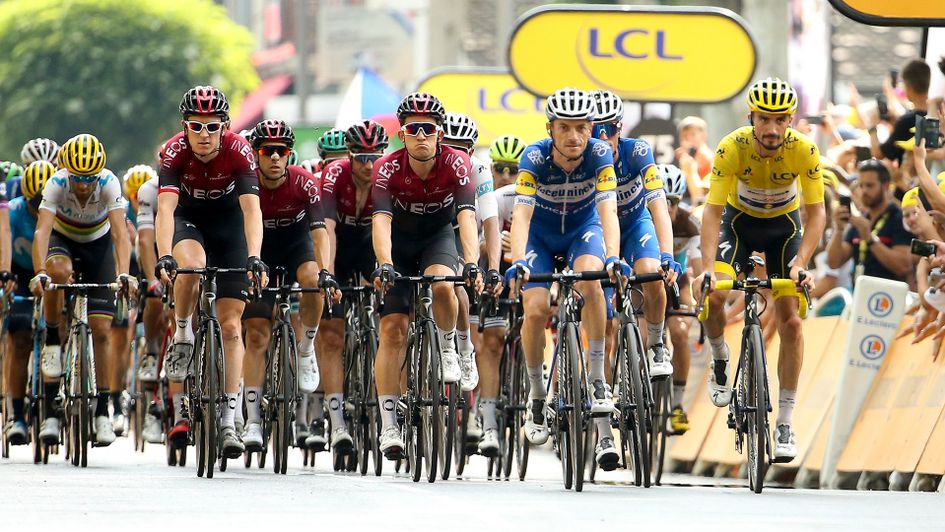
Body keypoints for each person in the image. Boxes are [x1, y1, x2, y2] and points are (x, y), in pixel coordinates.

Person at [700, 78, 826, 462]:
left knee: (791, 320)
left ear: (790, 120)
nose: (771, 129)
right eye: (763, 120)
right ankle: (720, 355)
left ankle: (785, 421)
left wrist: (802, 263)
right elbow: (713, 211)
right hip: (738, 224)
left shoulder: (804, 150)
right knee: (715, 293)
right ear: (751, 117)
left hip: (782, 229)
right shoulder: (731, 147)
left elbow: (817, 213)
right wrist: (707, 267)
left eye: (779, 120)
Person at [505, 87, 622, 470]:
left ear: (591, 128)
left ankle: (596, 377)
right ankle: (538, 395)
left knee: (591, 282)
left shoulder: (600, 154)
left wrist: (615, 257)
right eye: (565, 128)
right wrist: (519, 260)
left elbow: (607, 212)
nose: (574, 137)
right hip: (540, 233)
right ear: (550, 129)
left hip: (582, 229)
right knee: (535, 309)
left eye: (582, 128)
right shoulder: (534, 156)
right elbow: (521, 215)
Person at [154, 85, 267, 458]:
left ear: (225, 126)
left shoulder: (239, 150)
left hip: (229, 225)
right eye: (196, 126)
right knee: (191, 266)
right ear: (184, 127)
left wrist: (254, 256)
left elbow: (252, 210)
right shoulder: (173, 152)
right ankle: (184, 333)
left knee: (232, 325)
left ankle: (228, 421)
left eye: (212, 126)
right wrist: (164, 256)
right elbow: (167, 210)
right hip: (188, 221)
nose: (204, 134)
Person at [371, 92, 482, 460]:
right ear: (402, 134)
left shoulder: (457, 162)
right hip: (399, 246)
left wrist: (471, 262)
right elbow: (381, 221)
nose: (421, 135)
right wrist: (384, 263)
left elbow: (467, 216)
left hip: (437, 238)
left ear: (439, 133)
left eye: (429, 129)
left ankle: (448, 346)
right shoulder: (387, 168)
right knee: (392, 331)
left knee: (443, 285)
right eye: (413, 129)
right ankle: (389, 425)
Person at [30, 134, 134, 447]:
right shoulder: (57, 183)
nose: (84, 186)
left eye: (90, 179)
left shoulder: (110, 183)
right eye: (78, 178)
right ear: (67, 172)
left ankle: (103, 409)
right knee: (57, 273)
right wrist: (40, 273)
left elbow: (119, 234)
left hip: (98, 245)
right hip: (63, 240)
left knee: (102, 330)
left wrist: (125, 274)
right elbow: (42, 232)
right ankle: (51, 342)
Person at [239, 119, 335, 452]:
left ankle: (306, 347)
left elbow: (320, 231)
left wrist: (326, 271)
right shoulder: (245, 183)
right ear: (256, 153)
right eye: (268, 151)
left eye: (283, 151)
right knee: (256, 334)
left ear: (290, 154)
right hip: (258, 247)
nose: (276, 158)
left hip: (295, 243)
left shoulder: (305, 183)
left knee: (312, 280)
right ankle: (252, 420)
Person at [592, 90, 680, 380]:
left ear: (621, 128)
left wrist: (667, 255)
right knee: (604, 327)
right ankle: (601, 396)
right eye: (596, 130)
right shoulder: (583, 161)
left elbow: (658, 207)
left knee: (652, 273)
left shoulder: (638, 151)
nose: (605, 137)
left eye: (612, 129)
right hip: (601, 231)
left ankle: (656, 343)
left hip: (635, 224)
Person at [318, 119, 388, 452]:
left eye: (375, 157)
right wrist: (328, 274)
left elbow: (391, 231)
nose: (369, 165)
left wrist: (386, 268)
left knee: (394, 320)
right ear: (348, 155)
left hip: (370, 245)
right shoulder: (334, 175)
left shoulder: (387, 175)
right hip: (338, 248)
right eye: (361, 157)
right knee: (332, 333)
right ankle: (337, 422)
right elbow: (326, 230)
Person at [440, 112, 504, 454]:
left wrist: (491, 267)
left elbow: (490, 222)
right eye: (450, 147)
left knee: (461, 295)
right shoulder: (430, 165)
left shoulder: (479, 169)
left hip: (466, 241)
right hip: (433, 234)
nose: (457, 156)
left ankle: (465, 359)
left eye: (463, 149)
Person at [1, 161, 52, 445]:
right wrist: (4, 273)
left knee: (61, 327)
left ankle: (56, 401)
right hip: (20, 273)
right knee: (19, 337)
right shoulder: (15, 210)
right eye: (33, 204)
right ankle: (16, 415)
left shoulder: (59, 208)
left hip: (49, 269)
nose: (37, 211)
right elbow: (3, 238)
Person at [122, 164, 170, 444]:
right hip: (149, 257)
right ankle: (151, 351)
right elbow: (145, 241)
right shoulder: (149, 193)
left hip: (181, 249)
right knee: (153, 297)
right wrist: (153, 282)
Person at [661, 164, 702, 434]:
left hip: (679, 281)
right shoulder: (640, 219)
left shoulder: (690, 224)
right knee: (640, 335)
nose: (667, 209)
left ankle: (676, 406)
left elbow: (697, 268)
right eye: (661, 201)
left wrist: (702, 298)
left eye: (673, 203)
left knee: (680, 331)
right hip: (648, 280)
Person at [827, 159, 913, 285]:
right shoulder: (861, 221)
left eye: (869, 185)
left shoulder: (899, 218)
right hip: (860, 296)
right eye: (861, 185)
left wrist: (870, 239)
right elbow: (834, 262)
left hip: (888, 298)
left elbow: (903, 267)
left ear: (886, 185)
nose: (864, 191)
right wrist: (838, 230)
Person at [871, 59, 930, 164]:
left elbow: (879, 153)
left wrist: (872, 127)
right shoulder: (937, 114)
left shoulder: (906, 122)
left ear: (908, 86)